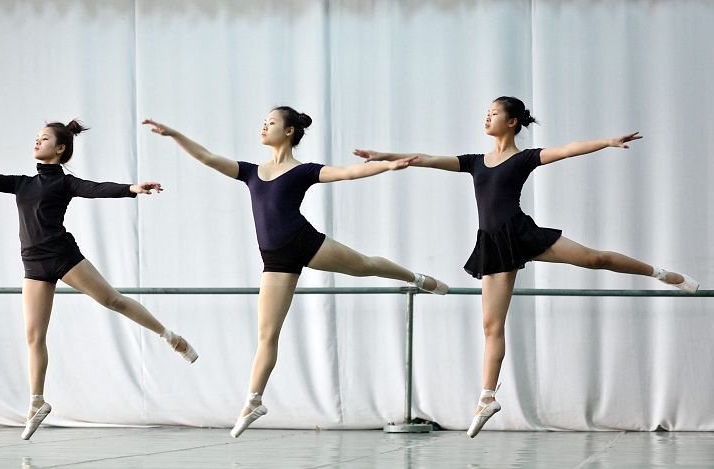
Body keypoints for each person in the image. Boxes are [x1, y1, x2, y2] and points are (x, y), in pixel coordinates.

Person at [354, 96, 699, 438]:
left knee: (596, 259)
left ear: (512, 122)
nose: (486, 118)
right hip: (494, 243)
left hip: (521, 232)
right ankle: (487, 398)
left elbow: (567, 149)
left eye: (493, 114)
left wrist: (606, 142)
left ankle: (664, 275)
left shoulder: (524, 159)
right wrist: (385, 156)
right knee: (491, 326)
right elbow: (425, 159)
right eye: (485, 114)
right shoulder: (475, 162)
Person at [144, 106, 448, 437]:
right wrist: (174, 134)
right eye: (263, 122)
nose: (264, 126)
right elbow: (206, 157)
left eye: (271, 122)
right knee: (267, 333)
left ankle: (417, 279)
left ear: (289, 131)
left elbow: (347, 173)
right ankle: (253, 400)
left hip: (303, 242)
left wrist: (387, 165)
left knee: (366, 266)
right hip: (275, 259)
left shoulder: (303, 171)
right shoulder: (250, 171)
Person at [0, 120, 198, 440]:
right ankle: (37, 403)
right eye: (36, 137)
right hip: (34, 265)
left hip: (64, 257)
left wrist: (131, 189)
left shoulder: (65, 184)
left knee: (112, 300)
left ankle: (169, 336)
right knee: (34, 337)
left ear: (60, 148)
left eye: (45, 138)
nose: (37, 142)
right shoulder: (22, 183)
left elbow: (96, 188)